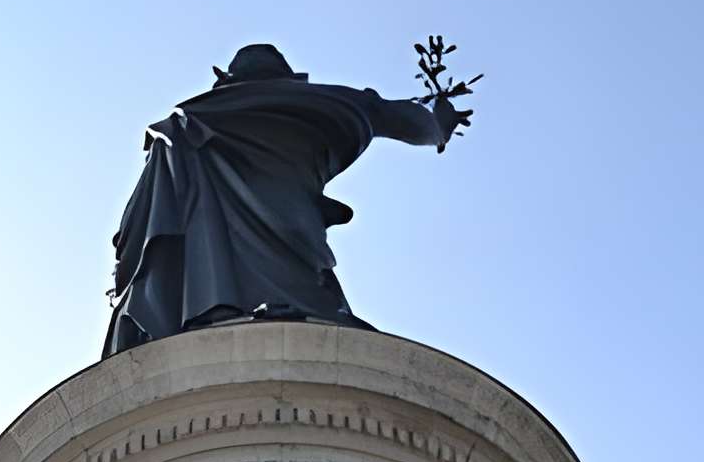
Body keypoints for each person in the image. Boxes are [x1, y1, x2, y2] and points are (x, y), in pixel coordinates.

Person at [104, 44, 469, 354]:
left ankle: (217, 305)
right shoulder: (327, 101)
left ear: (226, 79)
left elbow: (144, 220)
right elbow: (402, 118)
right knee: (315, 314)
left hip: (215, 264)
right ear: (288, 76)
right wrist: (440, 124)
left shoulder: (190, 120)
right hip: (299, 234)